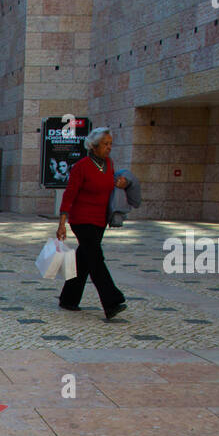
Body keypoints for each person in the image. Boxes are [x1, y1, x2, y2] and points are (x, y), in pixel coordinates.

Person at [56, 126, 131, 320]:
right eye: (105, 144)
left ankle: (68, 299)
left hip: (100, 220)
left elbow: (111, 186)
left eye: (110, 144)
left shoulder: (109, 164)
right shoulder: (82, 166)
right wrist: (62, 223)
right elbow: (69, 195)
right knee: (96, 259)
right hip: (82, 220)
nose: (109, 147)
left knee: (84, 259)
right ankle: (111, 301)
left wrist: (121, 183)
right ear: (94, 146)